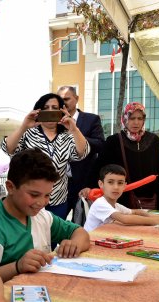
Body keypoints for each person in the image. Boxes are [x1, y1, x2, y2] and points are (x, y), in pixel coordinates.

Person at [0, 148, 90, 282]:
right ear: (10, 187)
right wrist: (17, 267)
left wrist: (74, 245)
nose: (42, 202)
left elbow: (81, 233)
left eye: (47, 195)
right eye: (34, 195)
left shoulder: (42, 216)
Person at [2, 93, 90, 219]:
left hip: (57, 200)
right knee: (31, 235)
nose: (50, 111)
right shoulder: (28, 133)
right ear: (39, 111)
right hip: (30, 198)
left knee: (54, 235)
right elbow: (8, 149)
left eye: (55, 108)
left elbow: (82, 153)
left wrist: (74, 129)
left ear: (62, 111)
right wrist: (24, 126)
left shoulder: (67, 135)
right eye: (46, 107)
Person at [81, 102, 159, 210]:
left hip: (150, 199)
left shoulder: (153, 140)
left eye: (140, 118)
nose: (136, 122)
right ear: (125, 119)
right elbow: (99, 165)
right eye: (132, 118)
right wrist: (89, 186)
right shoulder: (114, 141)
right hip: (121, 199)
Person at [57, 86, 105, 221]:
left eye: (66, 98)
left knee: (82, 226)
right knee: (53, 227)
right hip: (59, 185)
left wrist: (75, 133)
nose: (63, 102)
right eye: (60, 100)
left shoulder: (91, 119)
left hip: (84, 184)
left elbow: (100, 145)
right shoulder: (54, 123)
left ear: (76, 99)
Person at [83, 164, 159, 232]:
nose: (116, 187)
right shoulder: (100, 203)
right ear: (101, 184)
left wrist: (154, 216)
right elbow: (125, 219)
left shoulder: (116, 206)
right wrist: (156, 221)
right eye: (110, 182)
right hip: (91, 241)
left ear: (124, 186)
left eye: (120, 183)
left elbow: (136, 212)